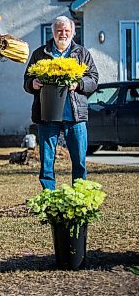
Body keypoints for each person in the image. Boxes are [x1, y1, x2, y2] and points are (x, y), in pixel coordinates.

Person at [24, 16, 98, 190]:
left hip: (75, 115)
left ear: (73, 32)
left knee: (79, 159)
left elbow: (93, 79)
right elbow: (27, 80)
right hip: (47, 114)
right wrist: (32, 83)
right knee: (47, 160)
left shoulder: (82, 53)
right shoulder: (40, 53)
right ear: (53, 32)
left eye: (67, 31)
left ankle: (80, 194)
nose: (63, 34)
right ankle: (48, 194)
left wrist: (79, 83)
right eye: (59, 30)